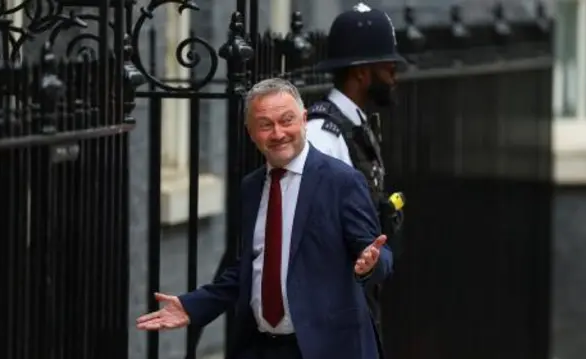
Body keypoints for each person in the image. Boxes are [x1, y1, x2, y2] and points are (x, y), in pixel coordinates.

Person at [136, 78, 393, 359]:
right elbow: (249, 267)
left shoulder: (341, 181)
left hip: (325, 347)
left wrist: (370, 263)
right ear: (251, 132)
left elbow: (379, 256)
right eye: (266, 125)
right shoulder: (251, 186)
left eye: (287, 120)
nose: (278, 133)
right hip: (260, 346)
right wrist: (193, 305)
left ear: (304, 119)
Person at [304, 3, 406, 357]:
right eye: (387, 66)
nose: (395, 75)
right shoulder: (322, 134)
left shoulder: (358, 127)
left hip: (359, 294)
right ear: (362, 74)